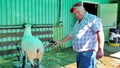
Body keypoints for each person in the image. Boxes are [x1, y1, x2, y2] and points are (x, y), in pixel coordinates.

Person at [55, 2, 104, 68]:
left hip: (88, 53)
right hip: (79, 53)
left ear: (83, 9)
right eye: (75, 14)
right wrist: (60, 41)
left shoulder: (92, 18)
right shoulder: (78, 22)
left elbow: (100, 32)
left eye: (78, 12)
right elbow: (71, 35)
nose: (77, 14)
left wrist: (100, 49)